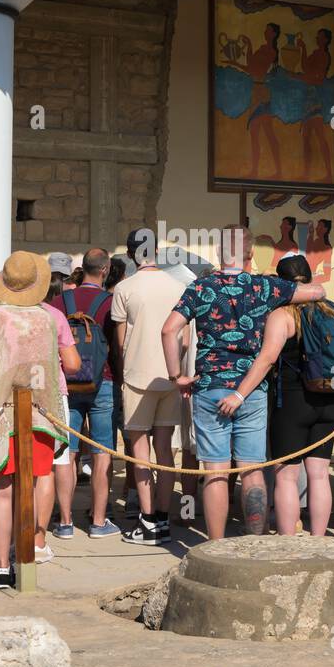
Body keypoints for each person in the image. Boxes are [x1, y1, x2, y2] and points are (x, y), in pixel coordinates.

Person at [162, 225, 324, 540]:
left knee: (215, 473)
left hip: (209, 385)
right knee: (252, 470)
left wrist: (175, 376)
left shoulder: (201, 287)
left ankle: (216, 544)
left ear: (219, 254)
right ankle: (253, 541)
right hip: (252, 389)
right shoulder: (266, 287)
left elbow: (169, 330)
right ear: (251, 255)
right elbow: (317, 292)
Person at [0, 253, 80, 589]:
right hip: (39, 410)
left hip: (0, 410)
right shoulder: (47, 319)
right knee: (34, 482)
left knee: (3, 492)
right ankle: (27, 550)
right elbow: (50, 367)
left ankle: (3, 566)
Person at [228, 255, 334, 538]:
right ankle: (318, 539)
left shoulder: (283, 315)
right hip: (330, 399)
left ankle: (287, 540)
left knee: (286, 475)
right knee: (319, 474)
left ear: (281, 283)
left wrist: (240, 394)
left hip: (293, 402)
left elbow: (268, 358)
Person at [112, 229, 189, 545]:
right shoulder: (178, 286)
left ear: (131, 254)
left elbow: (121, 343)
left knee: (139, 451)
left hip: (137, 376)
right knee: (165, 451)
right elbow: (182, 338)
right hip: (170, 376)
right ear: (156, 250)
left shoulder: (125, 287)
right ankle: (162, 516)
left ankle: (147, 521)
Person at [50, 248, 120, 537]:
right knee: (102, 451)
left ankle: (65, 522)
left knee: (67, 452)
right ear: (104, 270)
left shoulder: (59, 300)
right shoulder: (110, 302)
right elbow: (117, 345)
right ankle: (98, 521)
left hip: (67, 382)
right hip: (103, 380)